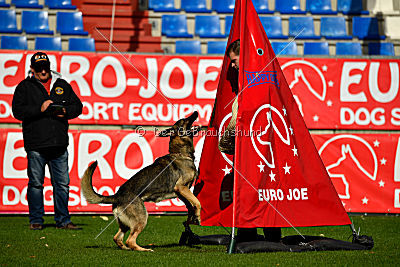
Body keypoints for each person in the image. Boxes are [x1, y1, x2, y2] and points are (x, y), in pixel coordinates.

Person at [219, 40, 281, 243]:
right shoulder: (250, 85)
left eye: (235, 61)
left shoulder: (256, 84)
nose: (233, 66)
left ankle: (255, 237)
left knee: (262, 194)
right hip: (250, 150)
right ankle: (259, 237)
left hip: (258, 151)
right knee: (254, 194)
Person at [12, 52, 83, 230]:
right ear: (32, 69)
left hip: (59, 145)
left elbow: (78, 107)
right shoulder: (24, 87)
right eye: (38, 68)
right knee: (36, 184)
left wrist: (65, 111)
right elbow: (17, 111)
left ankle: (63, 220)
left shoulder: (62, 84)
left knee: (62, 185)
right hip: (36, 145)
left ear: (49, 66)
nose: (43, 71)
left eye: (45, 67)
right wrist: (40, 108)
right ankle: (36, 220)